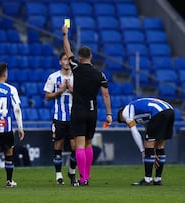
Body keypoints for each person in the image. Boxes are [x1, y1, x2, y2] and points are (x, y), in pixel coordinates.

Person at [62, 24, 112, 186]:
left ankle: (82, 177)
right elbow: (105, 94)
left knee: (80, 145)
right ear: (90, 57)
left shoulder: (76, 68)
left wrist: (65, 34)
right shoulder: (100, 74)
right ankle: (87, 177)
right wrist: (109, 114)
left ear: (80, 58)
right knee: (89, 143)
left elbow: (68, 52)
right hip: (93, 111)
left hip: (78, 110)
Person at [117, 97, 175, 186]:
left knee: (148, 144)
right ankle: (158, 179)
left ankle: (147, 179)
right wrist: (151, 153)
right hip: (170, 110)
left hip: (158, 113)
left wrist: (143, 151)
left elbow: (135, 132)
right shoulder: (143, 115)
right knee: (160, 145)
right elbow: (151, 132)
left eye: (123, 121)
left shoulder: (126, 112)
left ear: (121, 114)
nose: (125, 122)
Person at [43, 52, 78, 186]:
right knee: (58, 145)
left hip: (74, 118)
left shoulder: (77, 77)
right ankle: (58, 175)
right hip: (59, 117)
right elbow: (47, 96)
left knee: (75, 147)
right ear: (60, 62)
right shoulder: (53, 77)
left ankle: (72, 172)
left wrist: (71, 89)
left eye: (69, 60)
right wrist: (60, 91)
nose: (67, 62)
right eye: (64, 59)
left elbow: (82, 96)